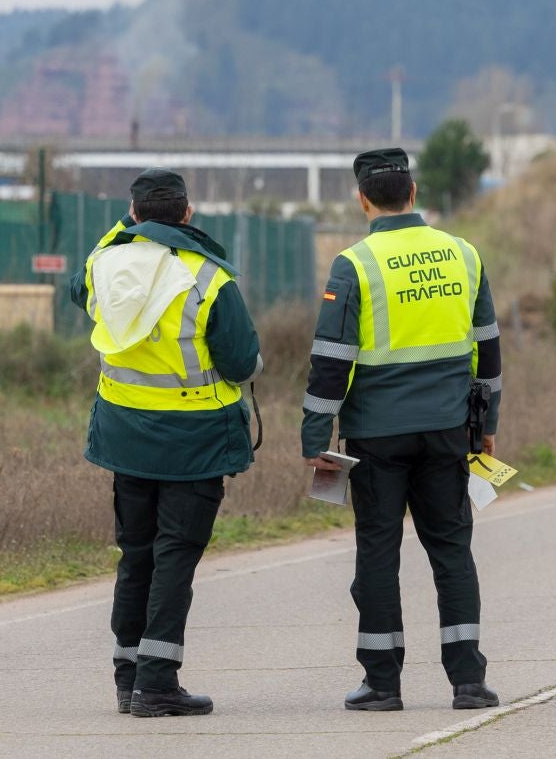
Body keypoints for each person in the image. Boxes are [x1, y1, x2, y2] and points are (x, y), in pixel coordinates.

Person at [301, 147, 504, 712]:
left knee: (378, 553)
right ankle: (468, 681)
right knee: (451, 551)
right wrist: (487, 424)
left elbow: (330, 360)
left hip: (377, 437)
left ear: (363, 199)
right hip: (445, 432)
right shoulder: (463, 254)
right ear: (413, 194)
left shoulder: (354, 264)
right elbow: (487, 348)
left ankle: (382, 685)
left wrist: (315, 437)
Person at [69, 168, 262, 718]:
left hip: (127, 438)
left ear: (131, 214)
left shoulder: (104, 268)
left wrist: (123, 230)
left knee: (136, 556)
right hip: (194, 444)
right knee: (174, 558)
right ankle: (156, 684)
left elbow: (77, 287)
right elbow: (241, 361)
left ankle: (128, 679)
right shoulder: (208, 278)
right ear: (188, 214)